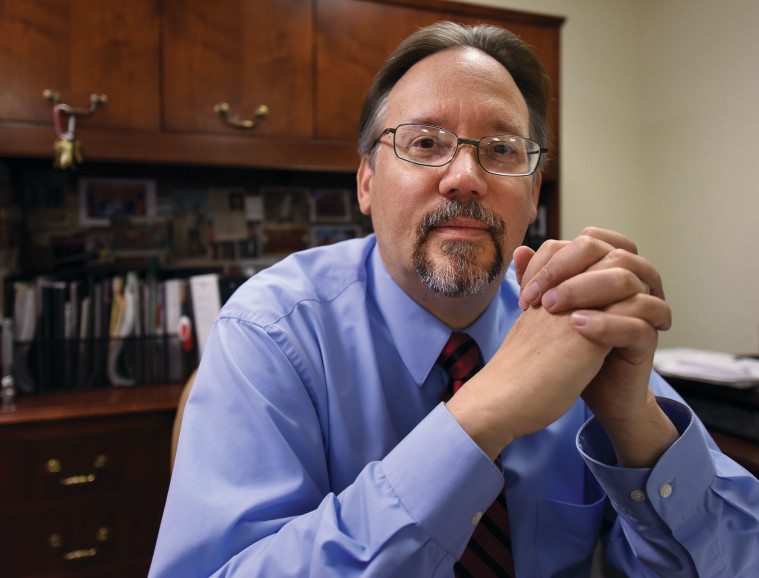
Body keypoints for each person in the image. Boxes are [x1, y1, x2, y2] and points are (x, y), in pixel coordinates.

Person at [150, 22, 759, 577]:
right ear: (367, 181)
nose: (466, 175)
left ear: (533, 191)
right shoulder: (270, 331)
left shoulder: (570, 317)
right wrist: (477, 420)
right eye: (423, 143)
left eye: (501, 151)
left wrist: (634, 423)